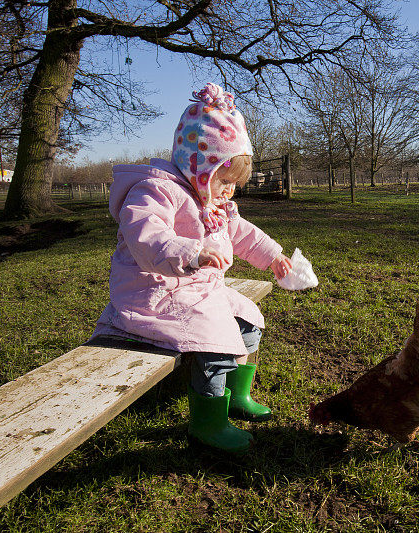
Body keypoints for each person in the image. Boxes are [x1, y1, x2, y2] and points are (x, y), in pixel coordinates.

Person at [91, 82, 292, 453]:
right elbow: (145, 233)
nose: (230, 190)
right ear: (198, 164)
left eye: (235, 183)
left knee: (248, 320)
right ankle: (208, 422)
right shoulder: (155, 191)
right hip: (154, 292)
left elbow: (242, 233)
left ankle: (235, 395)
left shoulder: (213, 201)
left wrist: (274, 255)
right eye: (225, 179)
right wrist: (189, 252)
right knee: (215, 337)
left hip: (196, 289)